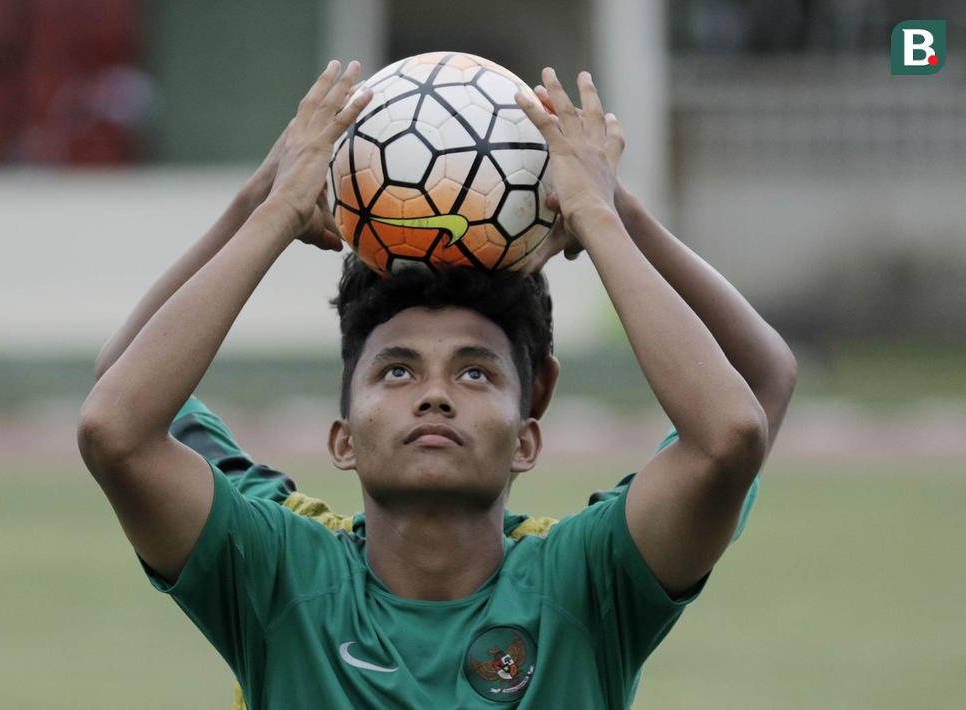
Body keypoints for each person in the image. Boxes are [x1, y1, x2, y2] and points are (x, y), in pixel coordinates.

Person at [78, 61, 795, 708]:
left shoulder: (588, 579)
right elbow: (120, 415)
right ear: (341, 435)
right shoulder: (275, 572)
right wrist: (262, 209)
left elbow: (741, 412)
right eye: (396, 370)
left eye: (475, 371)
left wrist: (609, 217)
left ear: (527, 435)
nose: (434, 393)